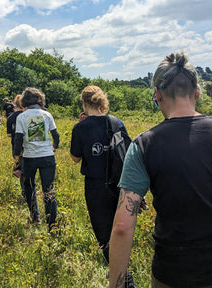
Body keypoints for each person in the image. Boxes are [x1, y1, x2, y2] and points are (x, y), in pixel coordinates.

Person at [109, 52, 212, 288]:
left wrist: (116, 285)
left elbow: (122, 228)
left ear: (158, 95)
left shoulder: (143, 146)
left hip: (175, 274)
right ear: (197, 92)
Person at [70, 86, 136, 287]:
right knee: (121, 229)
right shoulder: (117, 122)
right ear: (102, 102)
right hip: (120, 185)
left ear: (83, 103)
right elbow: (128, 152)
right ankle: (123, 275)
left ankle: (125, 280)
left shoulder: (80, 128)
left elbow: (75, 158)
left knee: (104, 235)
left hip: (96, 187)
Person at [13, 87, 60, 231]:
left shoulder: (21, 116)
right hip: (47, 157)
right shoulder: (47, 115)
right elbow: (56, 135)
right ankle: (52, 224)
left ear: (24, 101)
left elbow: (18, 138)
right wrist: (53, 147)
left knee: (29, 187)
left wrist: (16, 155)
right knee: (49, 190)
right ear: (40, 99)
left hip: (29, 158)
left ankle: (35, 216)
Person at [7, 94, 25, 197]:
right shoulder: (28, 116)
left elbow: (9, 134)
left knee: (20, 167)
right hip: (28, 147)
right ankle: (30, 190)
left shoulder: (10, 117)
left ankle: (24, 191)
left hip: (15, 147)